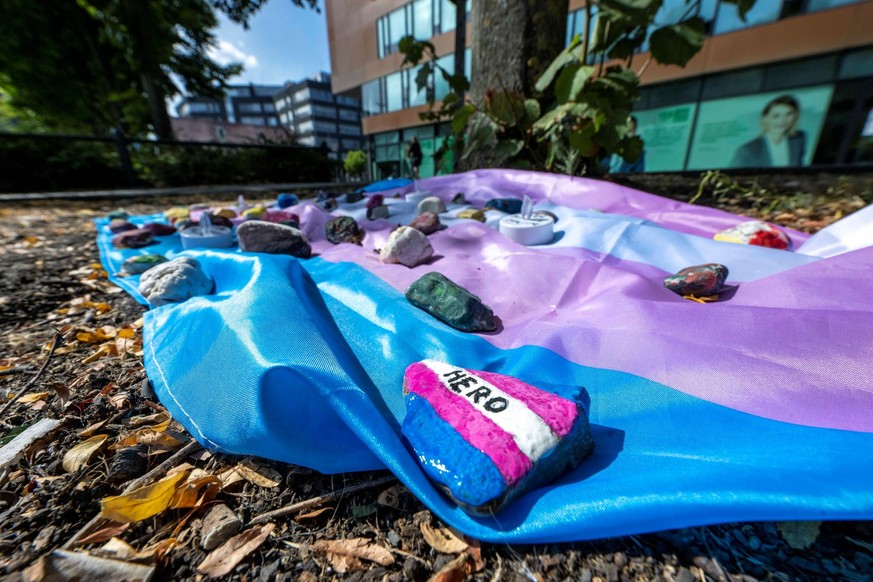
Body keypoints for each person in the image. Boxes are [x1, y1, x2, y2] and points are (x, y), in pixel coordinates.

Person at [731, 95, 806, 168]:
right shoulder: (746, 151)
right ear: (765, 119)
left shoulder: (799, 139)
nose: (782, 120)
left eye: (788, 114)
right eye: (776, 116)